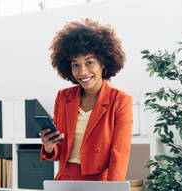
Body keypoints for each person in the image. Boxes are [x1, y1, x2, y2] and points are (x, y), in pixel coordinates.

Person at [40, 18, 133, 181]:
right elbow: (58, 151)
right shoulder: (63, 97)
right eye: (75, 65)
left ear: (103, 63)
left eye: (89, 62)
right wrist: (49, 147)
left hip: (97, 183)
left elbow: (119, 156)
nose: (82, 71)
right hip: (65, 181)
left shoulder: (120, 101)